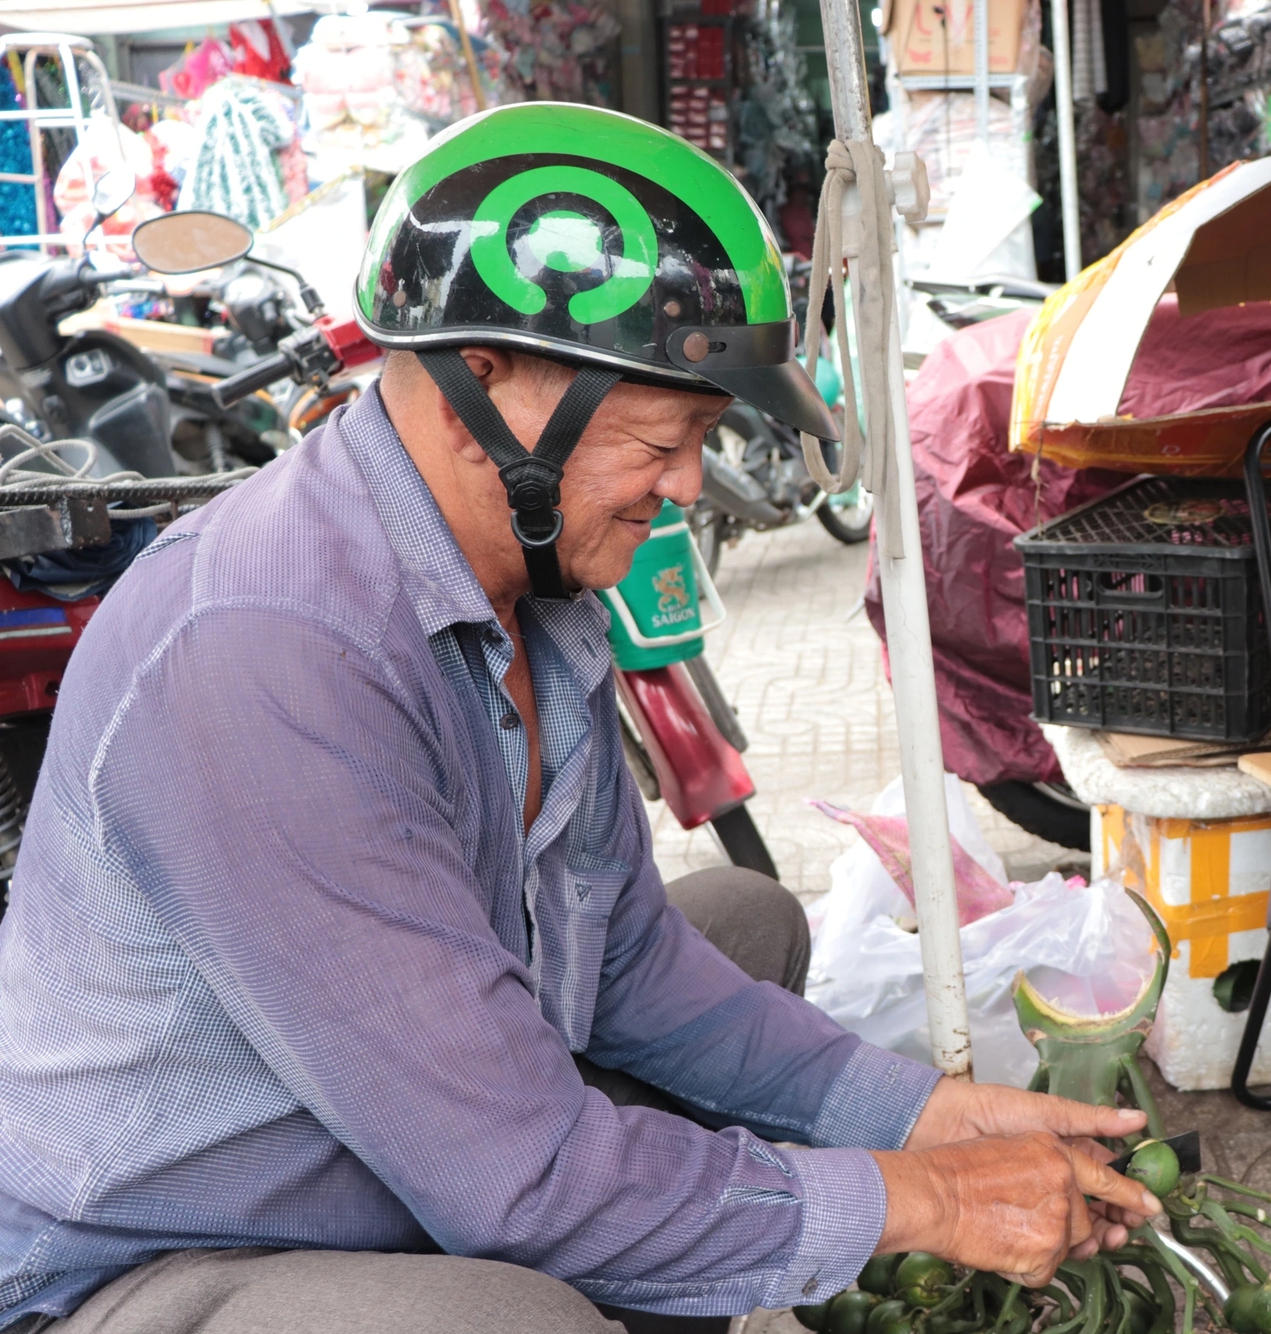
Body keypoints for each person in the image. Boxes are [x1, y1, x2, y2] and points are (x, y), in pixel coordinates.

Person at [0, 103, 1157, 1334]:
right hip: (158, 1261)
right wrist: (918, 1199)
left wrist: (919, 1114)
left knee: (745, 920)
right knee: (517, 1319)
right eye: (663, 439)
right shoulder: (265, 650)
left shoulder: (533, 591)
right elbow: (520, 1178)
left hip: (398, 1149)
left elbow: (623, 962)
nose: (687, 487)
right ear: (474, 392)